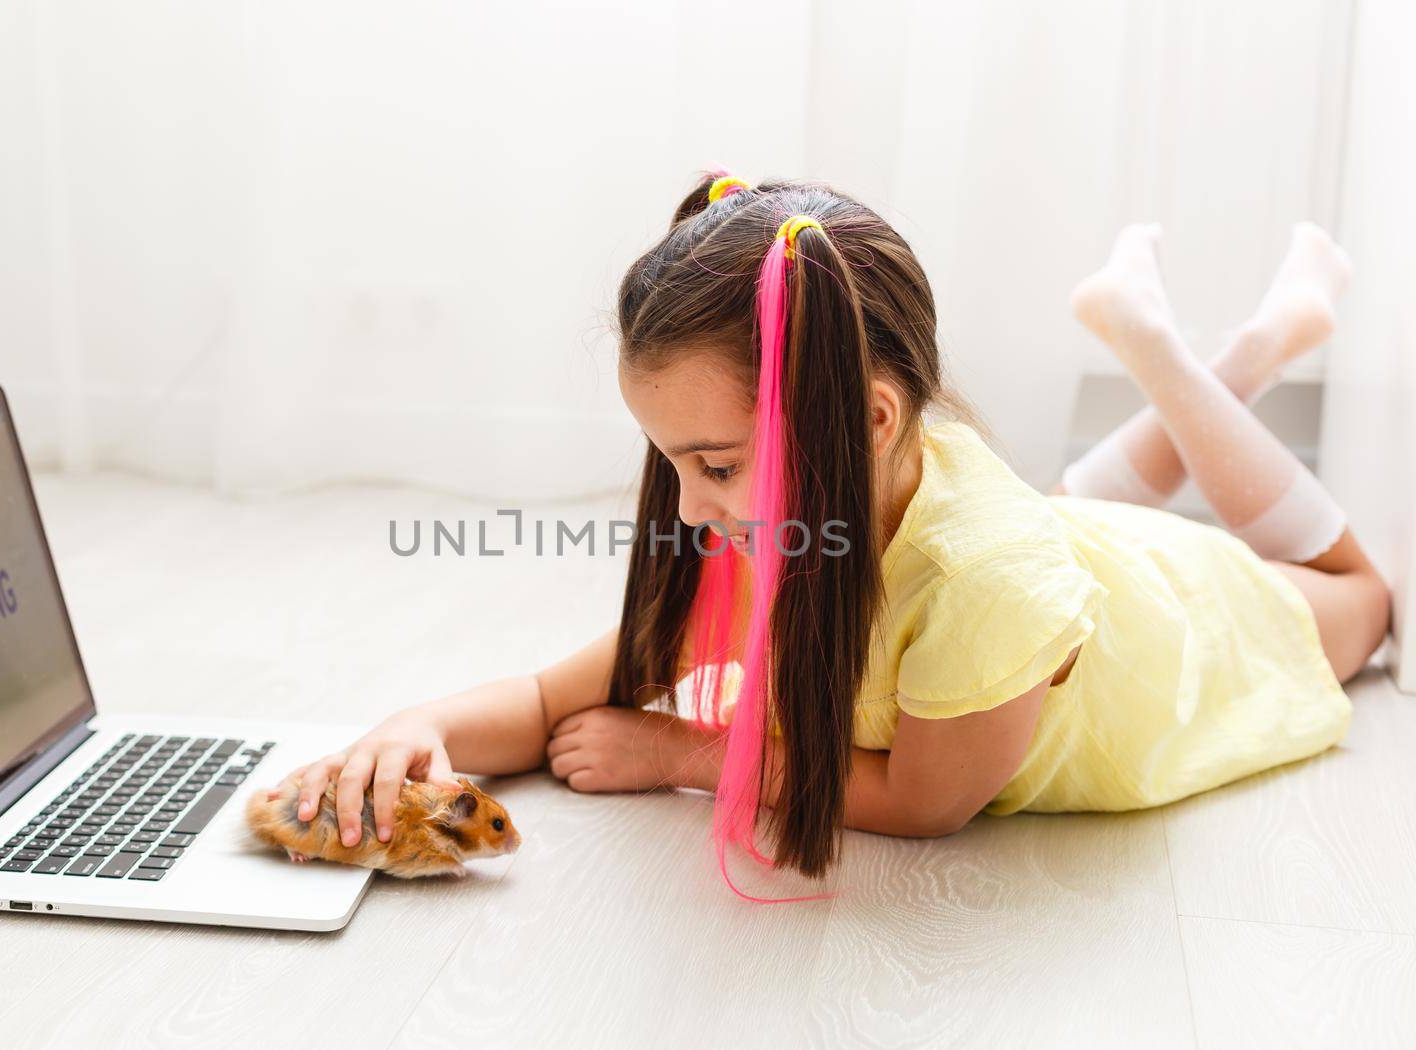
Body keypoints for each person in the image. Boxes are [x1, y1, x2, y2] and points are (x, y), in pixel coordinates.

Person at [272, 174, 1390, 898]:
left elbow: (923, 798)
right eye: (671, 462)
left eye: (713, 464)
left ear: (864, 421)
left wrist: (681, 751)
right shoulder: (789, 514)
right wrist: (412, 725)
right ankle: (1248, 347)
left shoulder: (984, 580)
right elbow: (550, 696)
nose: (691, 504)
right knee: (1057, 511)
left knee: (1362, 591)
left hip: (1187, 631)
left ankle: (1182, 353)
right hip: (1049, 553)